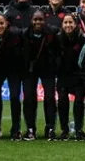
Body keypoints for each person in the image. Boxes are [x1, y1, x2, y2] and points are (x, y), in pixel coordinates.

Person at [22, 10, 59, 141]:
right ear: (31, 20)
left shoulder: (52, 32)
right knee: (29, 98)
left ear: (45, 20)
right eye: (35, 19)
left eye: (40, 19)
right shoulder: (25, 34)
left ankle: (50, 128)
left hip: (48, 69)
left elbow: (57, 50)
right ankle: (30, 129)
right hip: (29, 70)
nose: (38, 22)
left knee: (49, 98)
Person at [57, 14, 85, 141]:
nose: (68, 25)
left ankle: (79, 130)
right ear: (62, 24)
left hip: (79, 77)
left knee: (79, 103)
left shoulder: (83, 39)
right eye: (65, 22)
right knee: (62, 102)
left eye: (70, 22)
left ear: (76, 24)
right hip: (63, 76)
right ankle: (64, 130)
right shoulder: (58, 38)